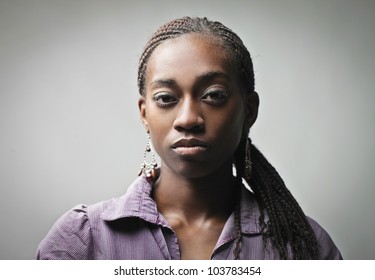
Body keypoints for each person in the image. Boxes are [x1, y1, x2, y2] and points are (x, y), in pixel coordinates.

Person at [37, 16, 342, 260]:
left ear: (249, 110)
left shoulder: (303, 247)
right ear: (145, 113)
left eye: (213, 96)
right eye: (166, 98)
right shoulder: (82, 241)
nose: (187, 119)